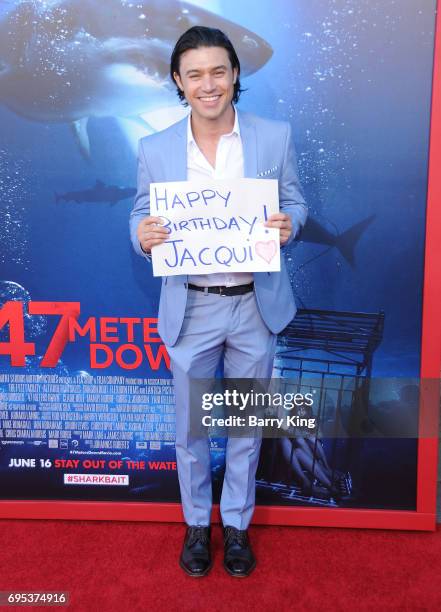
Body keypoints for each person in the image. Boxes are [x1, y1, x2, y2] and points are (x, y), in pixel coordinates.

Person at [130, 25, 307, 577]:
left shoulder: (273, 137)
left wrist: (289, 224)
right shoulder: (154, 147)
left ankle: (235, 527)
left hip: (256, 303)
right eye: (195, 74)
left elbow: (296, 200)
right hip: (193, 307)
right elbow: (139, 211)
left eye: (219, 71)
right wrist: (142, 235)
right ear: (179, 83)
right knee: (191, 429)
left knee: (245, 425)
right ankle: (194, 527)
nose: (209, 84)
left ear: (235, 75)